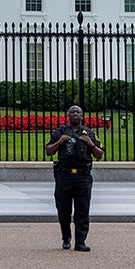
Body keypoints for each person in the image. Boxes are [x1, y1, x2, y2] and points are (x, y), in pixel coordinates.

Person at [45, 105, 104, 251]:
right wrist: (60, 142)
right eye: (72, 112)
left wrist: (90, 144)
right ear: (68, 116)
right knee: (63, 209)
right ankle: (66, 237)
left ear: (82, 116)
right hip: (64, 175)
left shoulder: (89, 133)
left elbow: (99, 154)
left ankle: (80, 242)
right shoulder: (61, 132)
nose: (75, 114)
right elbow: (48, 151)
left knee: (82, 210)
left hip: (82, 176)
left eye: (78, 112)